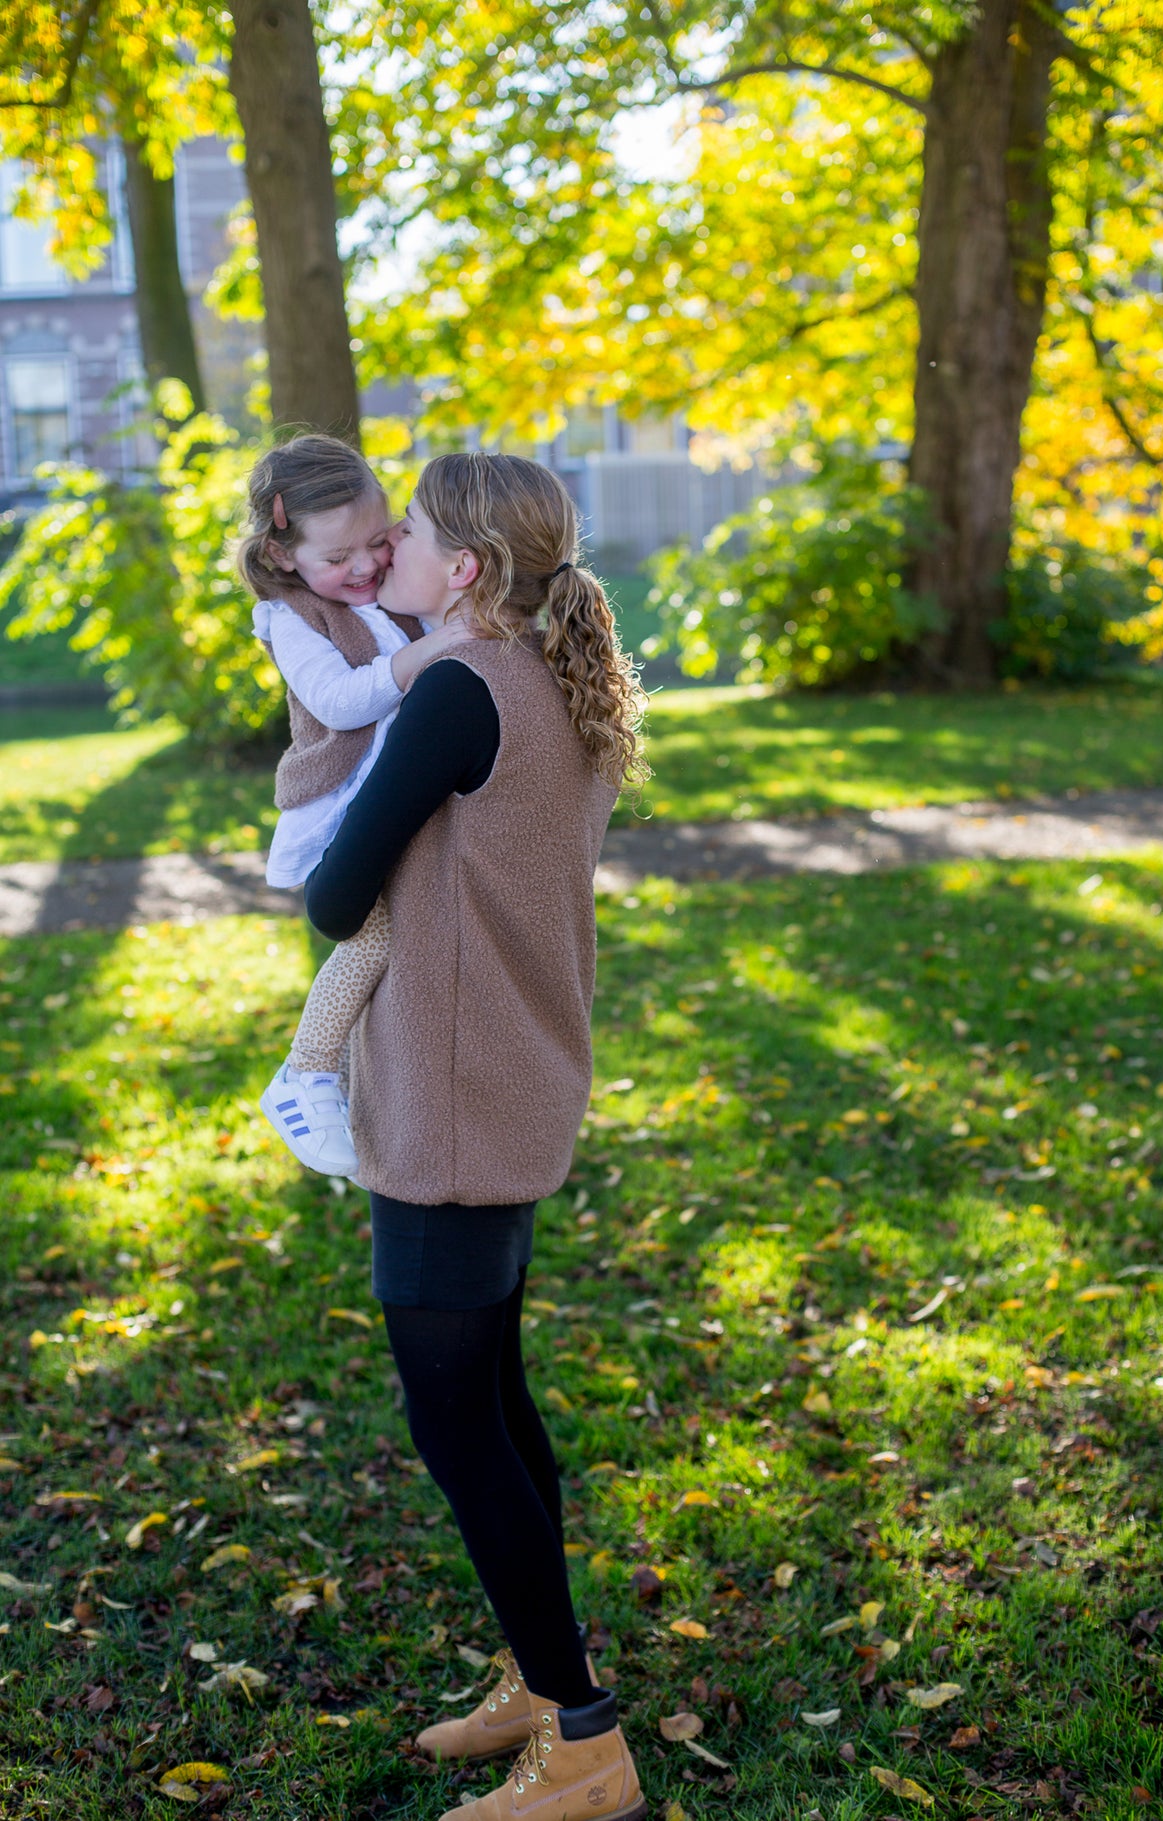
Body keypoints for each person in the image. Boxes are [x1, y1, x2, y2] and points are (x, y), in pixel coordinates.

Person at [303, 452, 649, 1821]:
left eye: (410, 535)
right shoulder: (556, 680)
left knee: (459, 1425)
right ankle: (539, 1667)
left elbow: (337, 896)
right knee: (497, 1406)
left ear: (464, 572)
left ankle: (584, 1744)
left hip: (450, 1101)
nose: (382, 545)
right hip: (517, 1077)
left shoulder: (457, 689)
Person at [237, 432, 464, 1176]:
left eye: (377, 541)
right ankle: (304, 1076)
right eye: (337, 559)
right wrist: (428, 651)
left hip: (399, 801)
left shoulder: (391, 594)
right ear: (282, 556)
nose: (365, 565)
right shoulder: (288, 618)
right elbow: (338, 702)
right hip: (338, 812)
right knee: (366, 941)